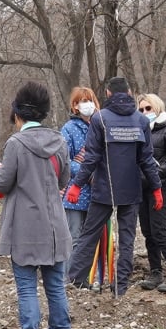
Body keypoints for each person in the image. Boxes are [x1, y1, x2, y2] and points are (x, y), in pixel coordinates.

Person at [0, 82, 72, 329]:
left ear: (17, 115)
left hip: (24, 228)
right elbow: (64, 179)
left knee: (27, 286)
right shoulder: (59, 141)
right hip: (55, 227)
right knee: (56, 286)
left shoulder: (16, 144)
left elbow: (2, 184)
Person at [68, 77, 160, 296]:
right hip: (131, 190)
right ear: (129, 93)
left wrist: (76, 185)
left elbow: (91, 158)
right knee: (127, 240)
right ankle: (120, 289)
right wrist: (156, 188)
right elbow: (147, 159)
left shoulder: (99, 119)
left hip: (103, 189)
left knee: (89, 235)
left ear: (108, 94)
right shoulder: (141, 120)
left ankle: (75, 283)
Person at [134, 93, 166, 292]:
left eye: (148, 108)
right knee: (148, 232)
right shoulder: (139, 131)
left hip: (160, 186)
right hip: (141, 187)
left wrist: (155, 174)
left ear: (157, 107)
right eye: (141, 109)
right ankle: (155, 271)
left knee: (159, 230)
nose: (145, 112)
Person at [60, 87, 99, 287]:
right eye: (82, 101)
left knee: (93, 238)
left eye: (89, 100)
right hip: (75, 192)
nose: (87, 104)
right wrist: (86, 173)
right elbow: (65, 160)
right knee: (74, 237)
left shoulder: (100, 125)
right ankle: (71, 278)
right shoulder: (68, 129)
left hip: (98, 192)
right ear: (74, 105)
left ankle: (92, 277)